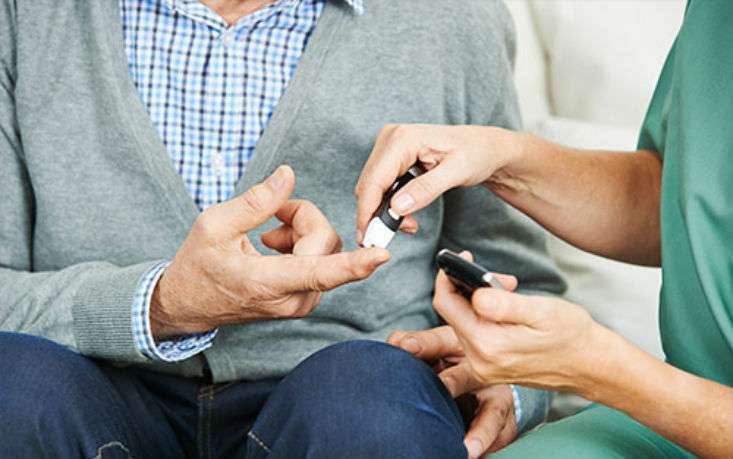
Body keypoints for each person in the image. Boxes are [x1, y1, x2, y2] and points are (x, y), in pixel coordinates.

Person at [0, 0, 566, 457]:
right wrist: (163, 304)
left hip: (349, 395)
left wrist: (515, 384)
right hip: (84, 387)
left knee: (371, 406)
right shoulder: (24, 16)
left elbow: (519, 277)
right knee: (12, 389)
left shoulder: (452, 19)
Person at [357, 1, 733, 457]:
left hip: (689, 407)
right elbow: (685, 202)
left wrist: (597, 367)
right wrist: (502, 157)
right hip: (673, 409)